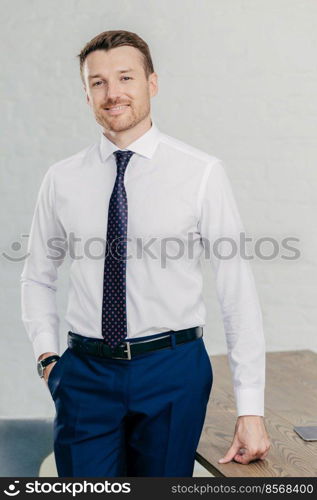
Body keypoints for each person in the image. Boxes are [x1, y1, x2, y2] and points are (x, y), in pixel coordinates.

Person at [20, 29, 270, 477]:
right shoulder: (62, 179)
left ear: (152, 83)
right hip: (86, 375)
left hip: (172, 372)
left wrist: (250, 408)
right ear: (86, 93)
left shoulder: (201, 174)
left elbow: (236, 289)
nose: (112, 93)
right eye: (98, 82)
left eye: (125, 78)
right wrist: (48, 360)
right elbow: (38, 275)